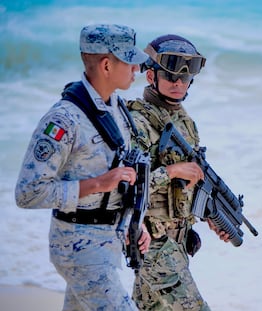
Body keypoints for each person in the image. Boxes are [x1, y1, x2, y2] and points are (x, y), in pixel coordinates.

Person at [15, 24, 151, 310]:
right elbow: (27, 192)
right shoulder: (63, 121)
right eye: (129, 60)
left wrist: (133, 224)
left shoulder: (116, 107)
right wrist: (99, 183)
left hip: (107, 242)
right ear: (106, 64)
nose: (136, 69)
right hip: (79, 248)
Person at [127, 34, 229, 311]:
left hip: (178, 243)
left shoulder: (185, 121)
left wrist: (210, 215)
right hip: (153, 242)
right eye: (171, 77)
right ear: (151, 76)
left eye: (184, 78)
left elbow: (190, 180)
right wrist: (170, 171)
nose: (178, 83)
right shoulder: (137, 122)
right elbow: (126, 185)